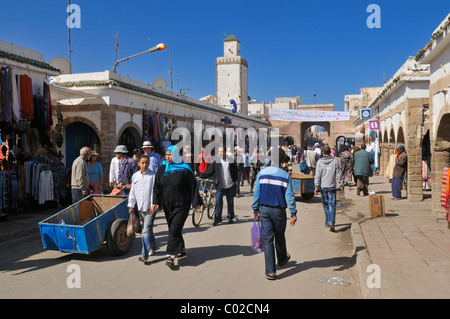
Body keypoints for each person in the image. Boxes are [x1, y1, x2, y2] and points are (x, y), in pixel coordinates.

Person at [152, 145, 202, 268]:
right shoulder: (162, 168)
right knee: (173, 228)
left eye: (170, 155)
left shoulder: (185, 169)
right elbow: (157, 186)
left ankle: (170, 256)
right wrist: (155, 201)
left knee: (174, 229)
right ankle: (182, 248)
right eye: (167, 154)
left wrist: (195, 202)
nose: (168, 157)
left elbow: (193, 186)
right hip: (168, 205)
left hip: (182, 205)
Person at [251, 148, 297, 280]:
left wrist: (255, 210)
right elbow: (289, 196)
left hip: (264, 210)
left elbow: (257, 194)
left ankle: (271, 271)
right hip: (279, 211)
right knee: (280, 236)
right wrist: (293, 213)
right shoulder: (285, 175)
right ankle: (282, 259)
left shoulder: (262, 173)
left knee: (268, 240)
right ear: (283, 160)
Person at [128, 154, 157, 263]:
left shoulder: (153, 176)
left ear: (149, 164)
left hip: (151, 208)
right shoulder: (135, 176)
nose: (145, 165)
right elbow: (133, 192)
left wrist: (154, 204)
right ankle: (153, 247)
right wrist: (131, 205)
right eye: (143, 163)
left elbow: (155, 192)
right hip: (140, 207)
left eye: (147, 163)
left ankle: (145, 254)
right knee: (148, 229)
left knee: (145, 231)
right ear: (138, 163)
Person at [200, 146, 238, 225]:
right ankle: (217, 218)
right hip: (220, 185)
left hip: (230, 184)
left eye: (221, 151)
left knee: (230, 202)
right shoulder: (216, 161)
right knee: (218, 202)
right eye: (219, 152)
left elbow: (235, 171)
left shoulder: (230, 161)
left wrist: (235, 181)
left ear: (225, 152)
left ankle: (230, 217)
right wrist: (201, 176)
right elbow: (210, 171)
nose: (220, 153)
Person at [314, 145, 344, 232]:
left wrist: (316, 186)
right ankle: (331, 222)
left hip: (323, 186)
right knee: (332, 204)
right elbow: (339, 174)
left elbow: (318, 175)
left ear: (322, 153)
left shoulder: (319, 162)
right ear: (330, 152)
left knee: (326, 204)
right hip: (332, 186)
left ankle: (328, 222)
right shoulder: (334, 161)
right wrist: (341, 185)